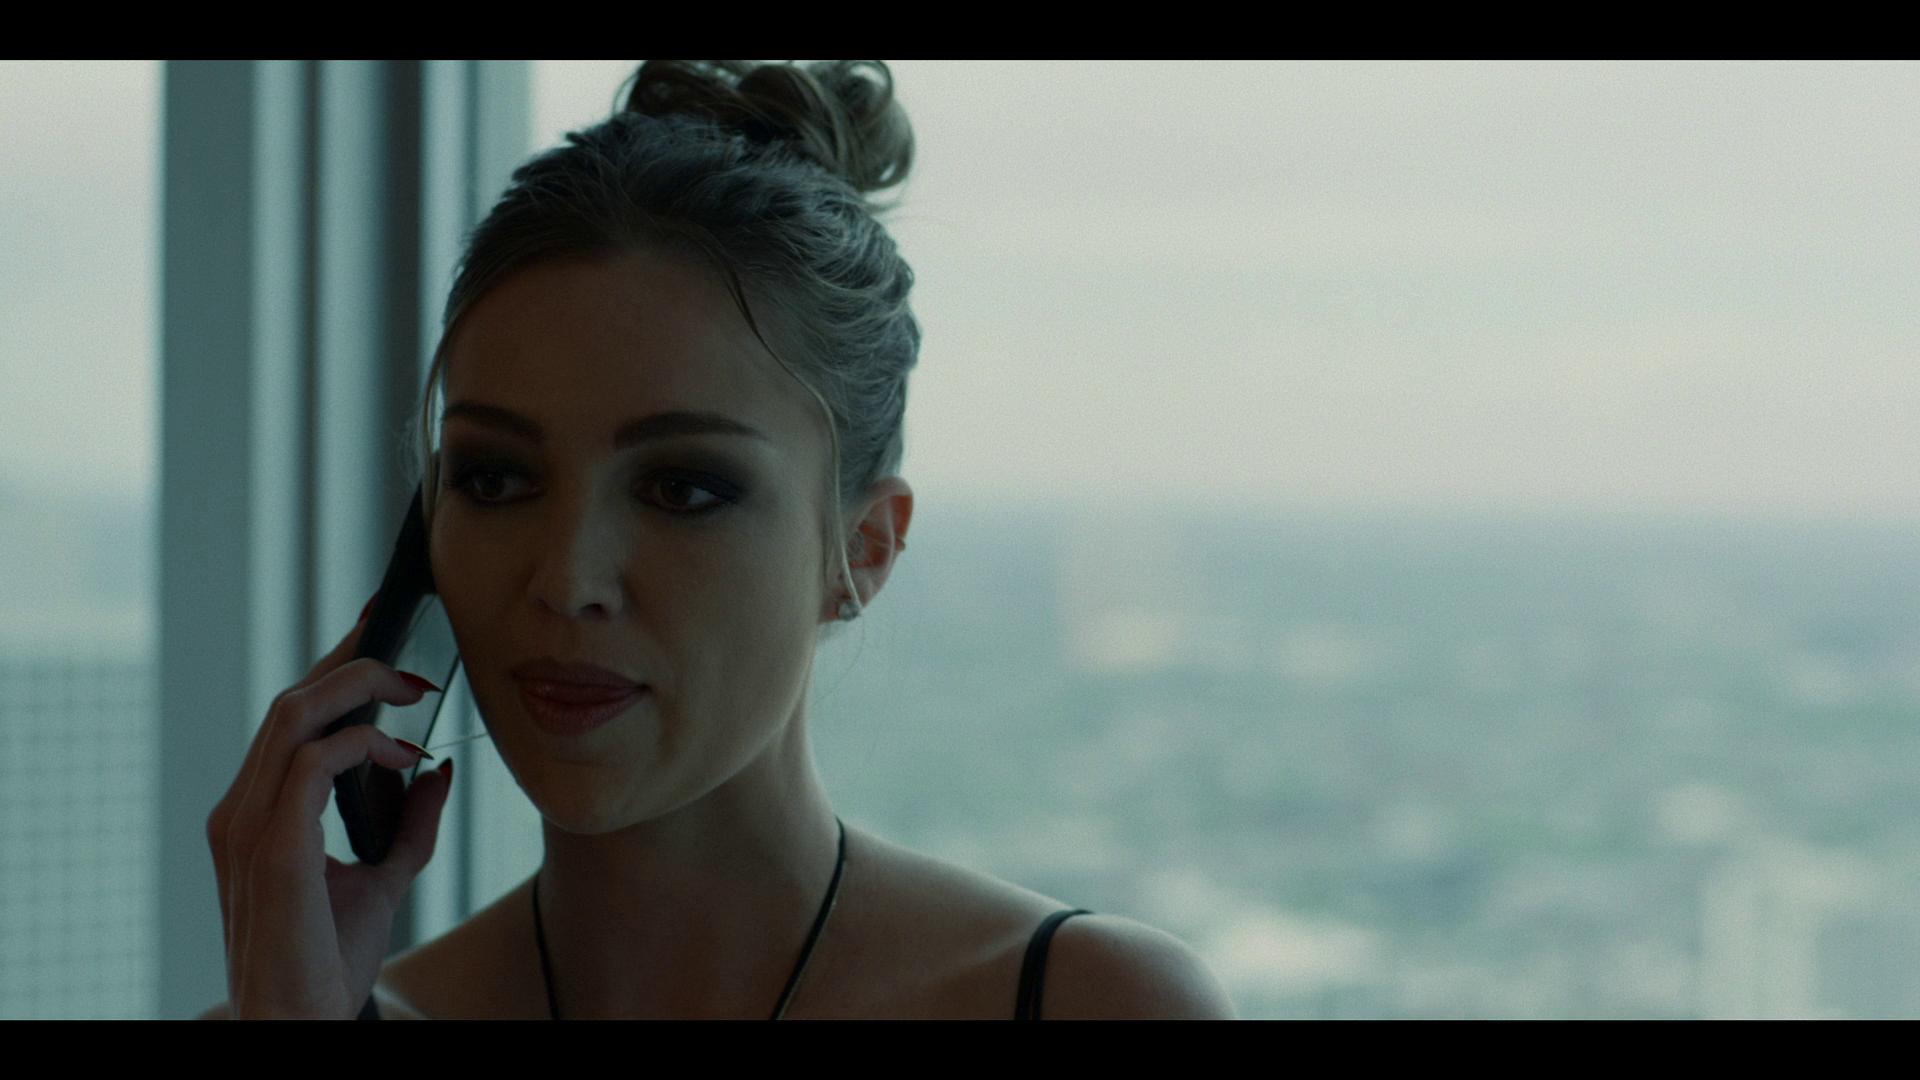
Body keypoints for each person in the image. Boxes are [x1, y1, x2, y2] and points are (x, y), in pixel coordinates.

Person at [201, 59, 1237, 1020]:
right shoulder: (291, 1011)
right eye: (496, 479)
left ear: (862, 550)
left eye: (682, 488)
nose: (567, 579)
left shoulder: (1093, 1004)